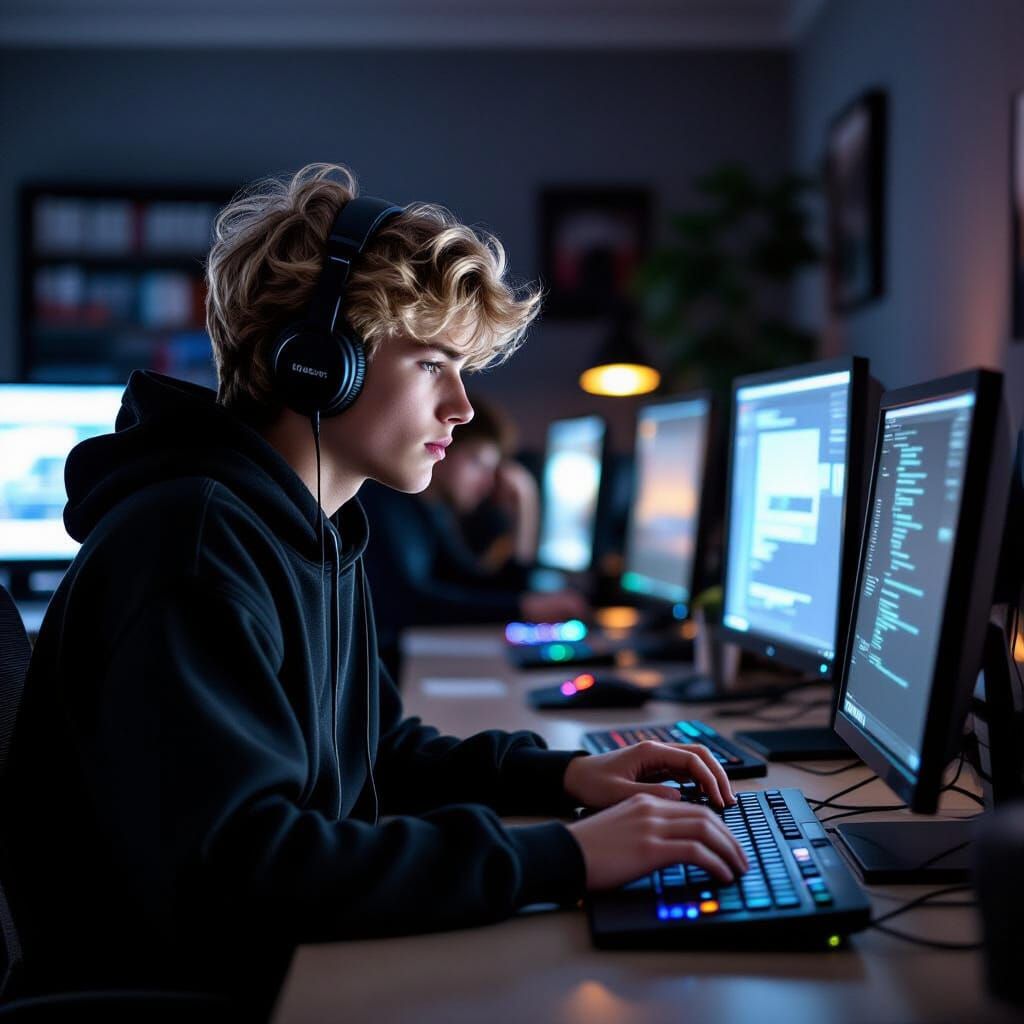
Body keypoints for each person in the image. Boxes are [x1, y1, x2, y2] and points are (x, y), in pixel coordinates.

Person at [1, 163, 747, 1019]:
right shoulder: (195, 548)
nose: (463, 408)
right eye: (434, 365)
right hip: (208, 992)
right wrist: (564, 861)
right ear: (318, 364)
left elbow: (377, 757)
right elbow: (256, 869)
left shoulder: (309, 527)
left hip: (275, 964)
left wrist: (569, 777)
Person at [360, 391, 587, 680]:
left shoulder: (428, 511)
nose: (487, 482)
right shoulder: (385, 502)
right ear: (441, 447)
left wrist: (525, 512)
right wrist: (524, 607)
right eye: (477, 462)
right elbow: (408, 604)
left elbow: (478, 584)